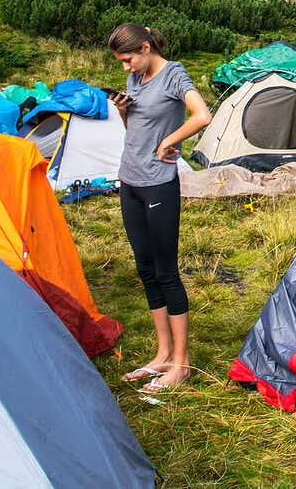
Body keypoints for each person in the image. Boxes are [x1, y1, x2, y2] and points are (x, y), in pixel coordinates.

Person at [108, 22, 212, 393]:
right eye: (121, 62)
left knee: (166, 271)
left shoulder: (174, 75)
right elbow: (135, 129)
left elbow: (203, 116)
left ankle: (181, 364)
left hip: (158, 183)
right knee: (145, 268)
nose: (126, 68)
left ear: (147, 46)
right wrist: (123, 110)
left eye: (128, 59)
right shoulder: (136, 78)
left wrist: (170, 140)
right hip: (130, 180)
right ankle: (163, 353)